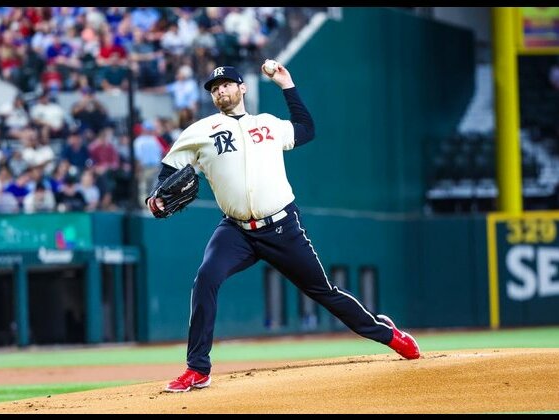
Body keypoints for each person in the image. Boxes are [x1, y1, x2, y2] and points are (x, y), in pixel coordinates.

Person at [146, 63, 421, 393]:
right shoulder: (200, 131)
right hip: (235, 230)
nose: (219, 90)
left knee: (325, 293)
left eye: (226, 84)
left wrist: (286, 84)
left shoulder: (267, 125)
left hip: (281, 227)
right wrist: (156, 196)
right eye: (214, 87)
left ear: (242, 87)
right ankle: (197, 369)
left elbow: (306, 129)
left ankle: (389, 334)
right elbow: (167, 171)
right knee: (206, 278)